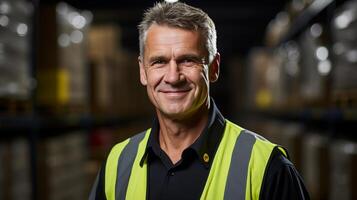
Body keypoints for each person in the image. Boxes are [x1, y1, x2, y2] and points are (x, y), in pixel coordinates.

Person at [89, 2, 309, 200]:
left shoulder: (265, 166)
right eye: (159, 62)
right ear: (143, 71)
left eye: (188, 60)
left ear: (214, 68)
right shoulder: (117, 164)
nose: (173, 77)